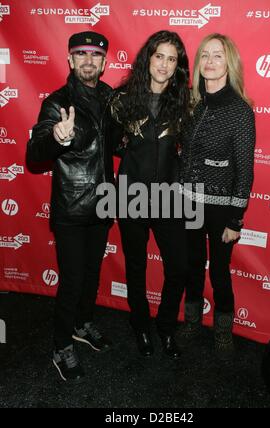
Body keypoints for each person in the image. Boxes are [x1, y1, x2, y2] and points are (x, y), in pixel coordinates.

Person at [27, 31, 114, 382]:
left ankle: (82, 323)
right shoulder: (57, 103)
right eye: (81, 54)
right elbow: (34, 156)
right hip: (71, 207)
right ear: (70, 60)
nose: (88, 60)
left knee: (92, 274)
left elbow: (118, 143)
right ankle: (61, 345)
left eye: (95, 55)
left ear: (105, 62)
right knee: (73, 279)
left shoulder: (111, 98)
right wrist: (56, 138)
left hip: (105, 203)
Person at [110, 31, 190, 359]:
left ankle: (166, 327)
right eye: (160, 56)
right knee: (135, 266)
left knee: (179, 267)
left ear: (177, 66)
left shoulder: (185, 103)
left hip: (170, 198)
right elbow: (112, 144)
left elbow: (187, 151)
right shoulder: (122, 100)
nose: (164, 64)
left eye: (172, 59)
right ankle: (140, 324)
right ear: (149, 58)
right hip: (130, 195)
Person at [179, 33, 256, 360]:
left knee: (220, 271)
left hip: (222, 208)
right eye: (205, 56)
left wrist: (236, 218)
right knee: (192, 266)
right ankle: (192, 322)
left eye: (218, 56)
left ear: (229, 64)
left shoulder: (239, 110)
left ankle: (223, 331)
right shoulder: (192, 103)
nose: (210, 62)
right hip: (187, 201)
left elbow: (245, 170)